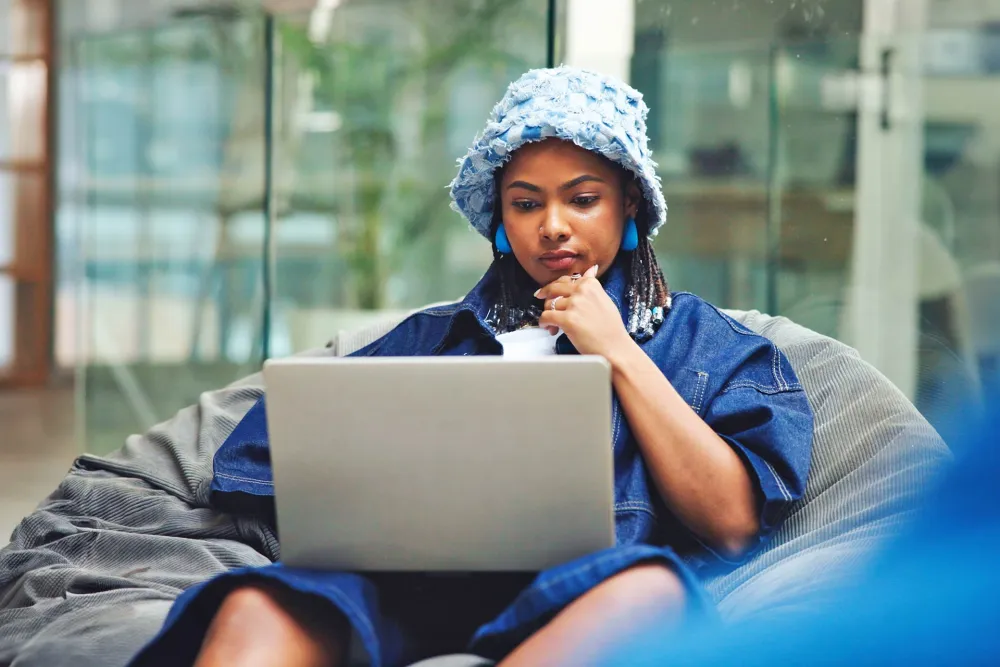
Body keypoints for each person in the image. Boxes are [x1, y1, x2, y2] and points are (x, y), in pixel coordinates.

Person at [7, 67, 814, 667]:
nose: (553, 228)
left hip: (583, 593)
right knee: (257, 605)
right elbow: (256, 469)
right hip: (399, 590)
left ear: (630, 203)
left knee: (653, 593)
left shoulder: (716, 349)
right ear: (499, 218)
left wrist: (618, 351)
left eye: (583, 197)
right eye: (526, 203)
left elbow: (734, 518)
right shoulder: (432, 338)